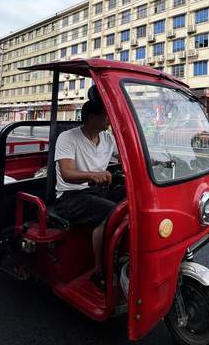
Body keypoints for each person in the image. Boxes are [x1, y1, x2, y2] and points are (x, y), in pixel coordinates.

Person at [54, 99, 123, 289]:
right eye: (105, 115)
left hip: (99, 191)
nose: (109, 119)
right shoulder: (68, 138)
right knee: (112, 213)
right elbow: (67, 173)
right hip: (71, 196)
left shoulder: (108, 138)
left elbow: (127, 158)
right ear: (91, 117)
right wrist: (93, 174)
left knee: (132, 201)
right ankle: (100, 270)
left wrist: (157, 162)